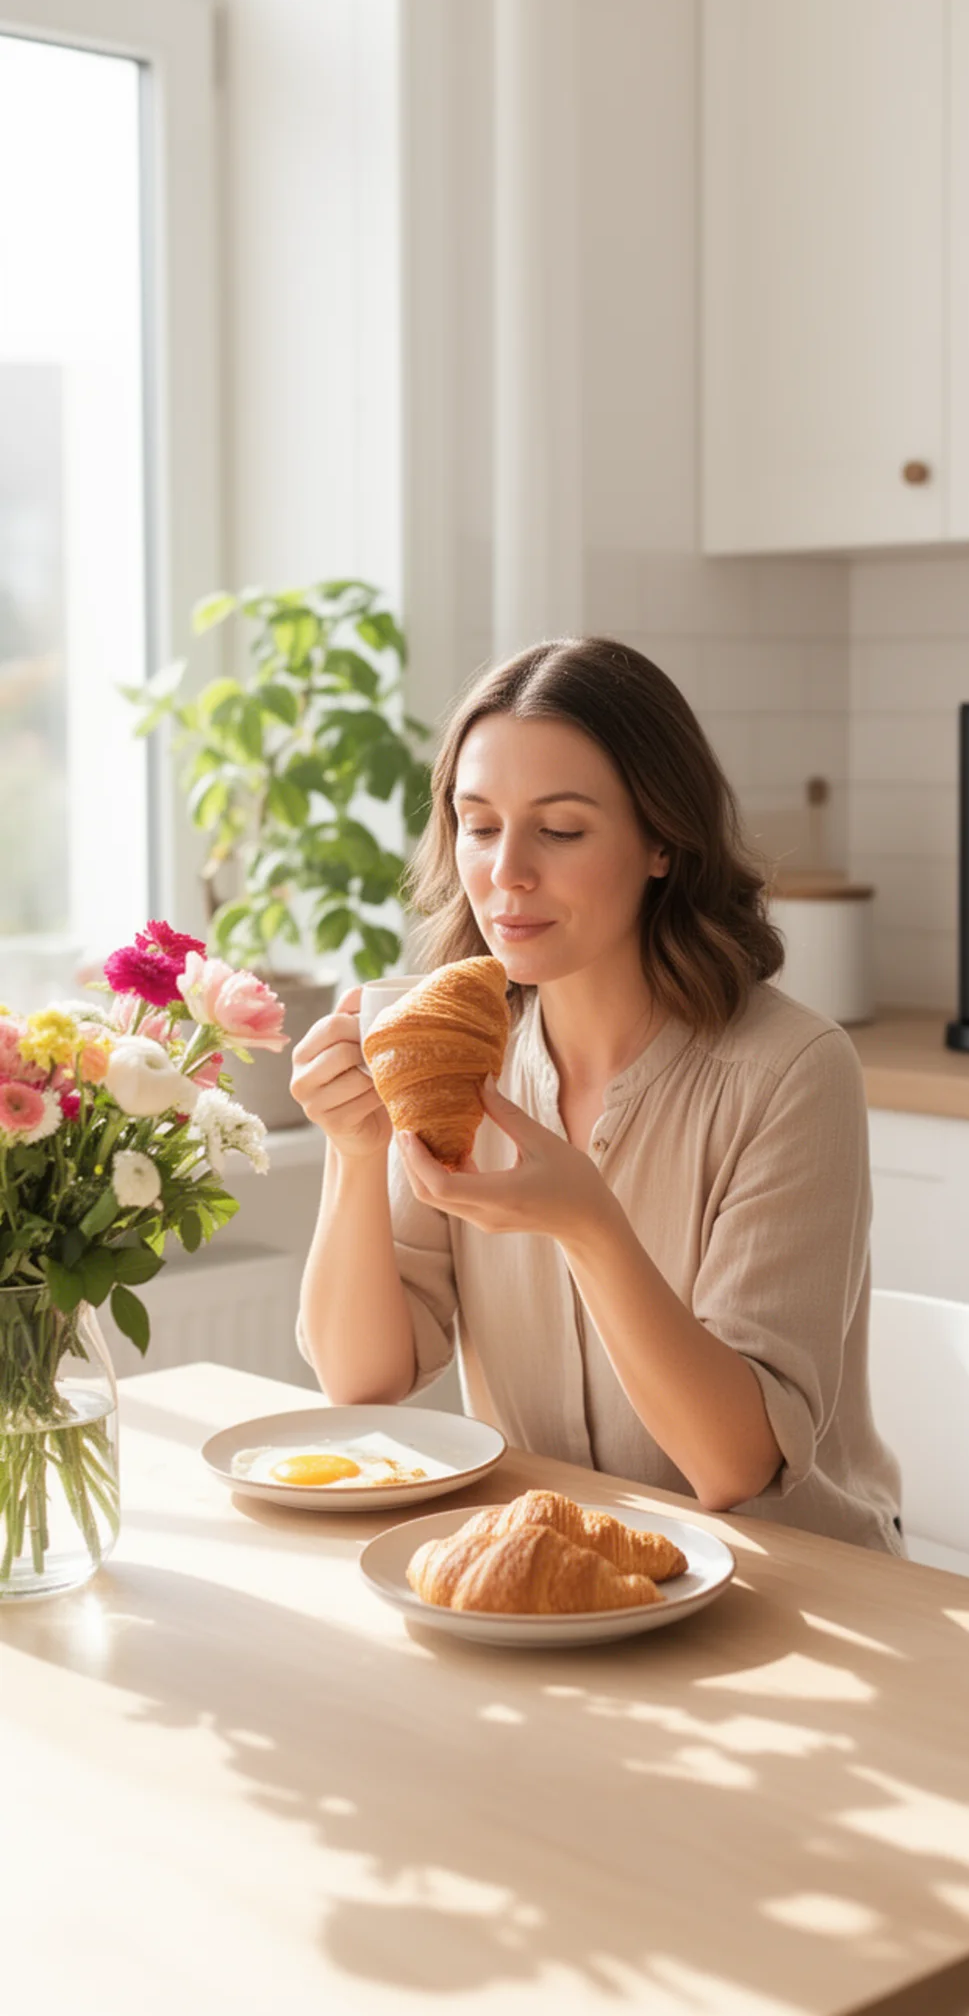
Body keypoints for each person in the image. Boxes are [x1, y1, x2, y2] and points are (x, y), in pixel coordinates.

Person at [291, 636, 902, 1552]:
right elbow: (362, 1382)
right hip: (555, 1573)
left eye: (562, 830)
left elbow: (734, 1467)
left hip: (796, 1583)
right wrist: (353, 1151)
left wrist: (589, 1227)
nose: (508, 872)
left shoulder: (791, 1071)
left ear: (662, 842)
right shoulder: (458, 1053)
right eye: (479, 826)